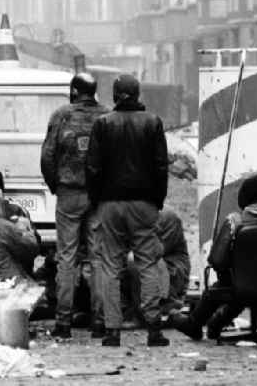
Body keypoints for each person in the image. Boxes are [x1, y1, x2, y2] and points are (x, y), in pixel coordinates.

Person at [85, 73, 170, 347]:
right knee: (148, 264)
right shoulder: (153, 123)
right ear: (138, 94)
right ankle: (154, 328)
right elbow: (161, 167)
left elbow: (93, 168)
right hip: (144, 204)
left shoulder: (103, 124)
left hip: (109, 205)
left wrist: (97, 201)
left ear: (115, 96)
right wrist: (157, 200)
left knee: (110, 266)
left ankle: (112, 330)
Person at [172, 174, 257, 341]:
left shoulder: (236, 221)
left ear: (246, 196)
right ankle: (216, 324)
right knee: (244, 285)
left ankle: (194, 324)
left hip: (244, 284)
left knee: (224, 287)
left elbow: (216, 260)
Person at [40, 72, 108, 339]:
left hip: (69, 194)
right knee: (97, 258)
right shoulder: (107, 117)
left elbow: (47, 156)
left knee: (66, 257)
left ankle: (64, 323)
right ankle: (100, 321)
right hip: (98, 196)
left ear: (74, 91)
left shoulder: (61, 116)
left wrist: (56, 185)